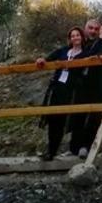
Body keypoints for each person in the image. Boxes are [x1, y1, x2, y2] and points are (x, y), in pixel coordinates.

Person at [36, 27, 87, 161]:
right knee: (53, 119)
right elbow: (48, 58)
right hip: (58, 88)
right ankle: (51, 151)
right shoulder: (64, 50)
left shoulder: (85, 53)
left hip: (72, 91)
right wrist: (41, 59)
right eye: (73, 36)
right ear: (70, 39)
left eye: (78, 35)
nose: (75, 38)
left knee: (66, 121)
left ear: (82, 37)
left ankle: (69, 149)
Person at [69, 18, 102, 158]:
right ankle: (74, 148)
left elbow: (99, 55)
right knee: (77, 116)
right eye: (90, 28)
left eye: (96, 29)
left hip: (96, 85)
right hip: (81, 84)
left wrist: (100, 40)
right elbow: (76, 57)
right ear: (85, 28)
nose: (93, 31)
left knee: (94, 118)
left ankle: (86, 147)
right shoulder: (80, 43)